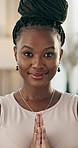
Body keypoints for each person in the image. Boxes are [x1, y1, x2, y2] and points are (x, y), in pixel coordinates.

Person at [0, 0, 78, 148]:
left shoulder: (75, 109)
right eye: (28, 54)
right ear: (16, 54)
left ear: (59, 56)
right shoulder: (2, 110)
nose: (37, 64)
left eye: (48, 54)